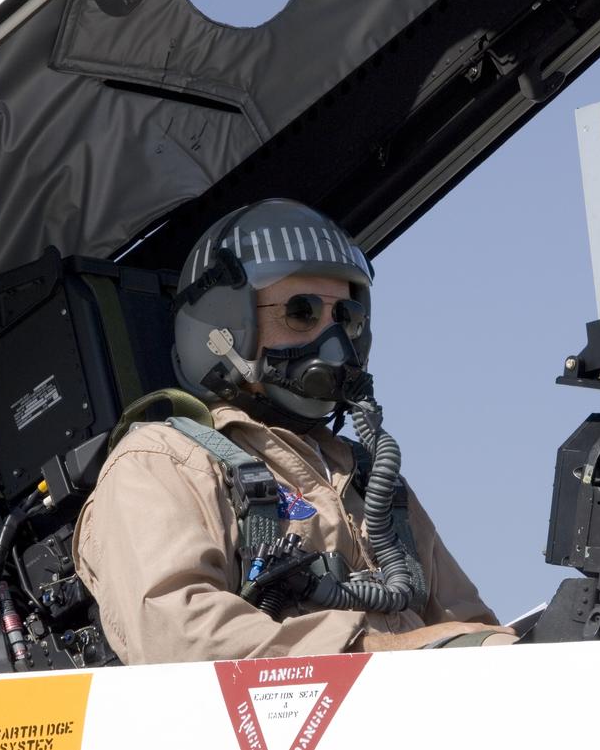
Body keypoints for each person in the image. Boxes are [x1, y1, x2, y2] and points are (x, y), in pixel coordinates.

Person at [72, 199, 513, 664]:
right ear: (223, 329)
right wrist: (377, 651)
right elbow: (178, 637)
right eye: (301, 312)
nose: (334, 343)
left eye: (346, 318)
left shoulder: (370, 480)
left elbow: (470, 631)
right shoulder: (164, 462)